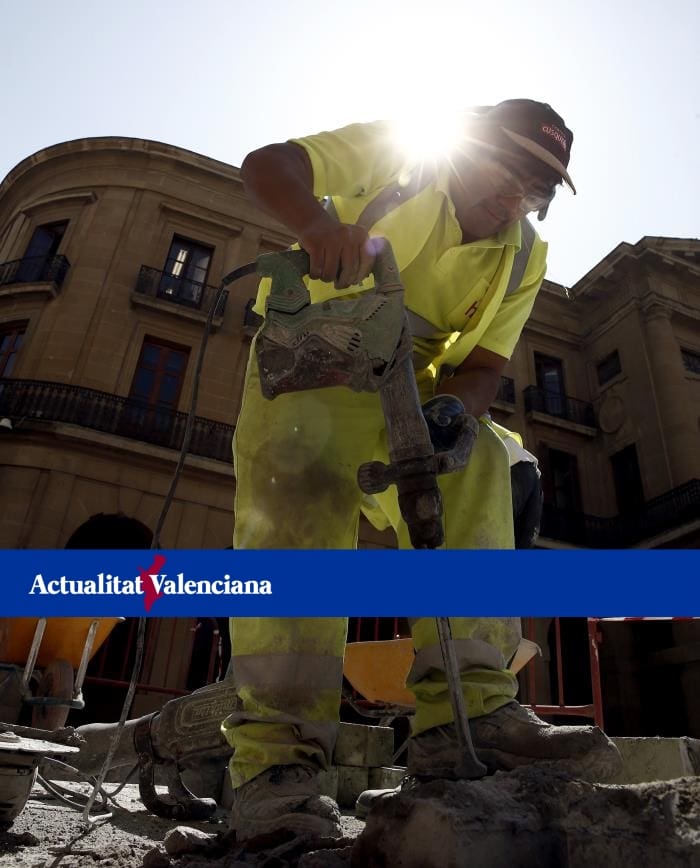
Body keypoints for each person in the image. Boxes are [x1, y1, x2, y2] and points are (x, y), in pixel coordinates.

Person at [222, 100, 621, 840]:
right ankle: (277, 767)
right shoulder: (398, 156)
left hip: (408, 391)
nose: (517, 196)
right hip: (310, 369)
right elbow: (269, 165)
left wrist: (452, 415)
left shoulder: (524, 256)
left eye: (537, 188)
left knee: (484, 460)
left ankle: (467, 716)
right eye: (510, 168)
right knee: (298, 536)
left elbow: (485, 367)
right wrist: (317, 227)